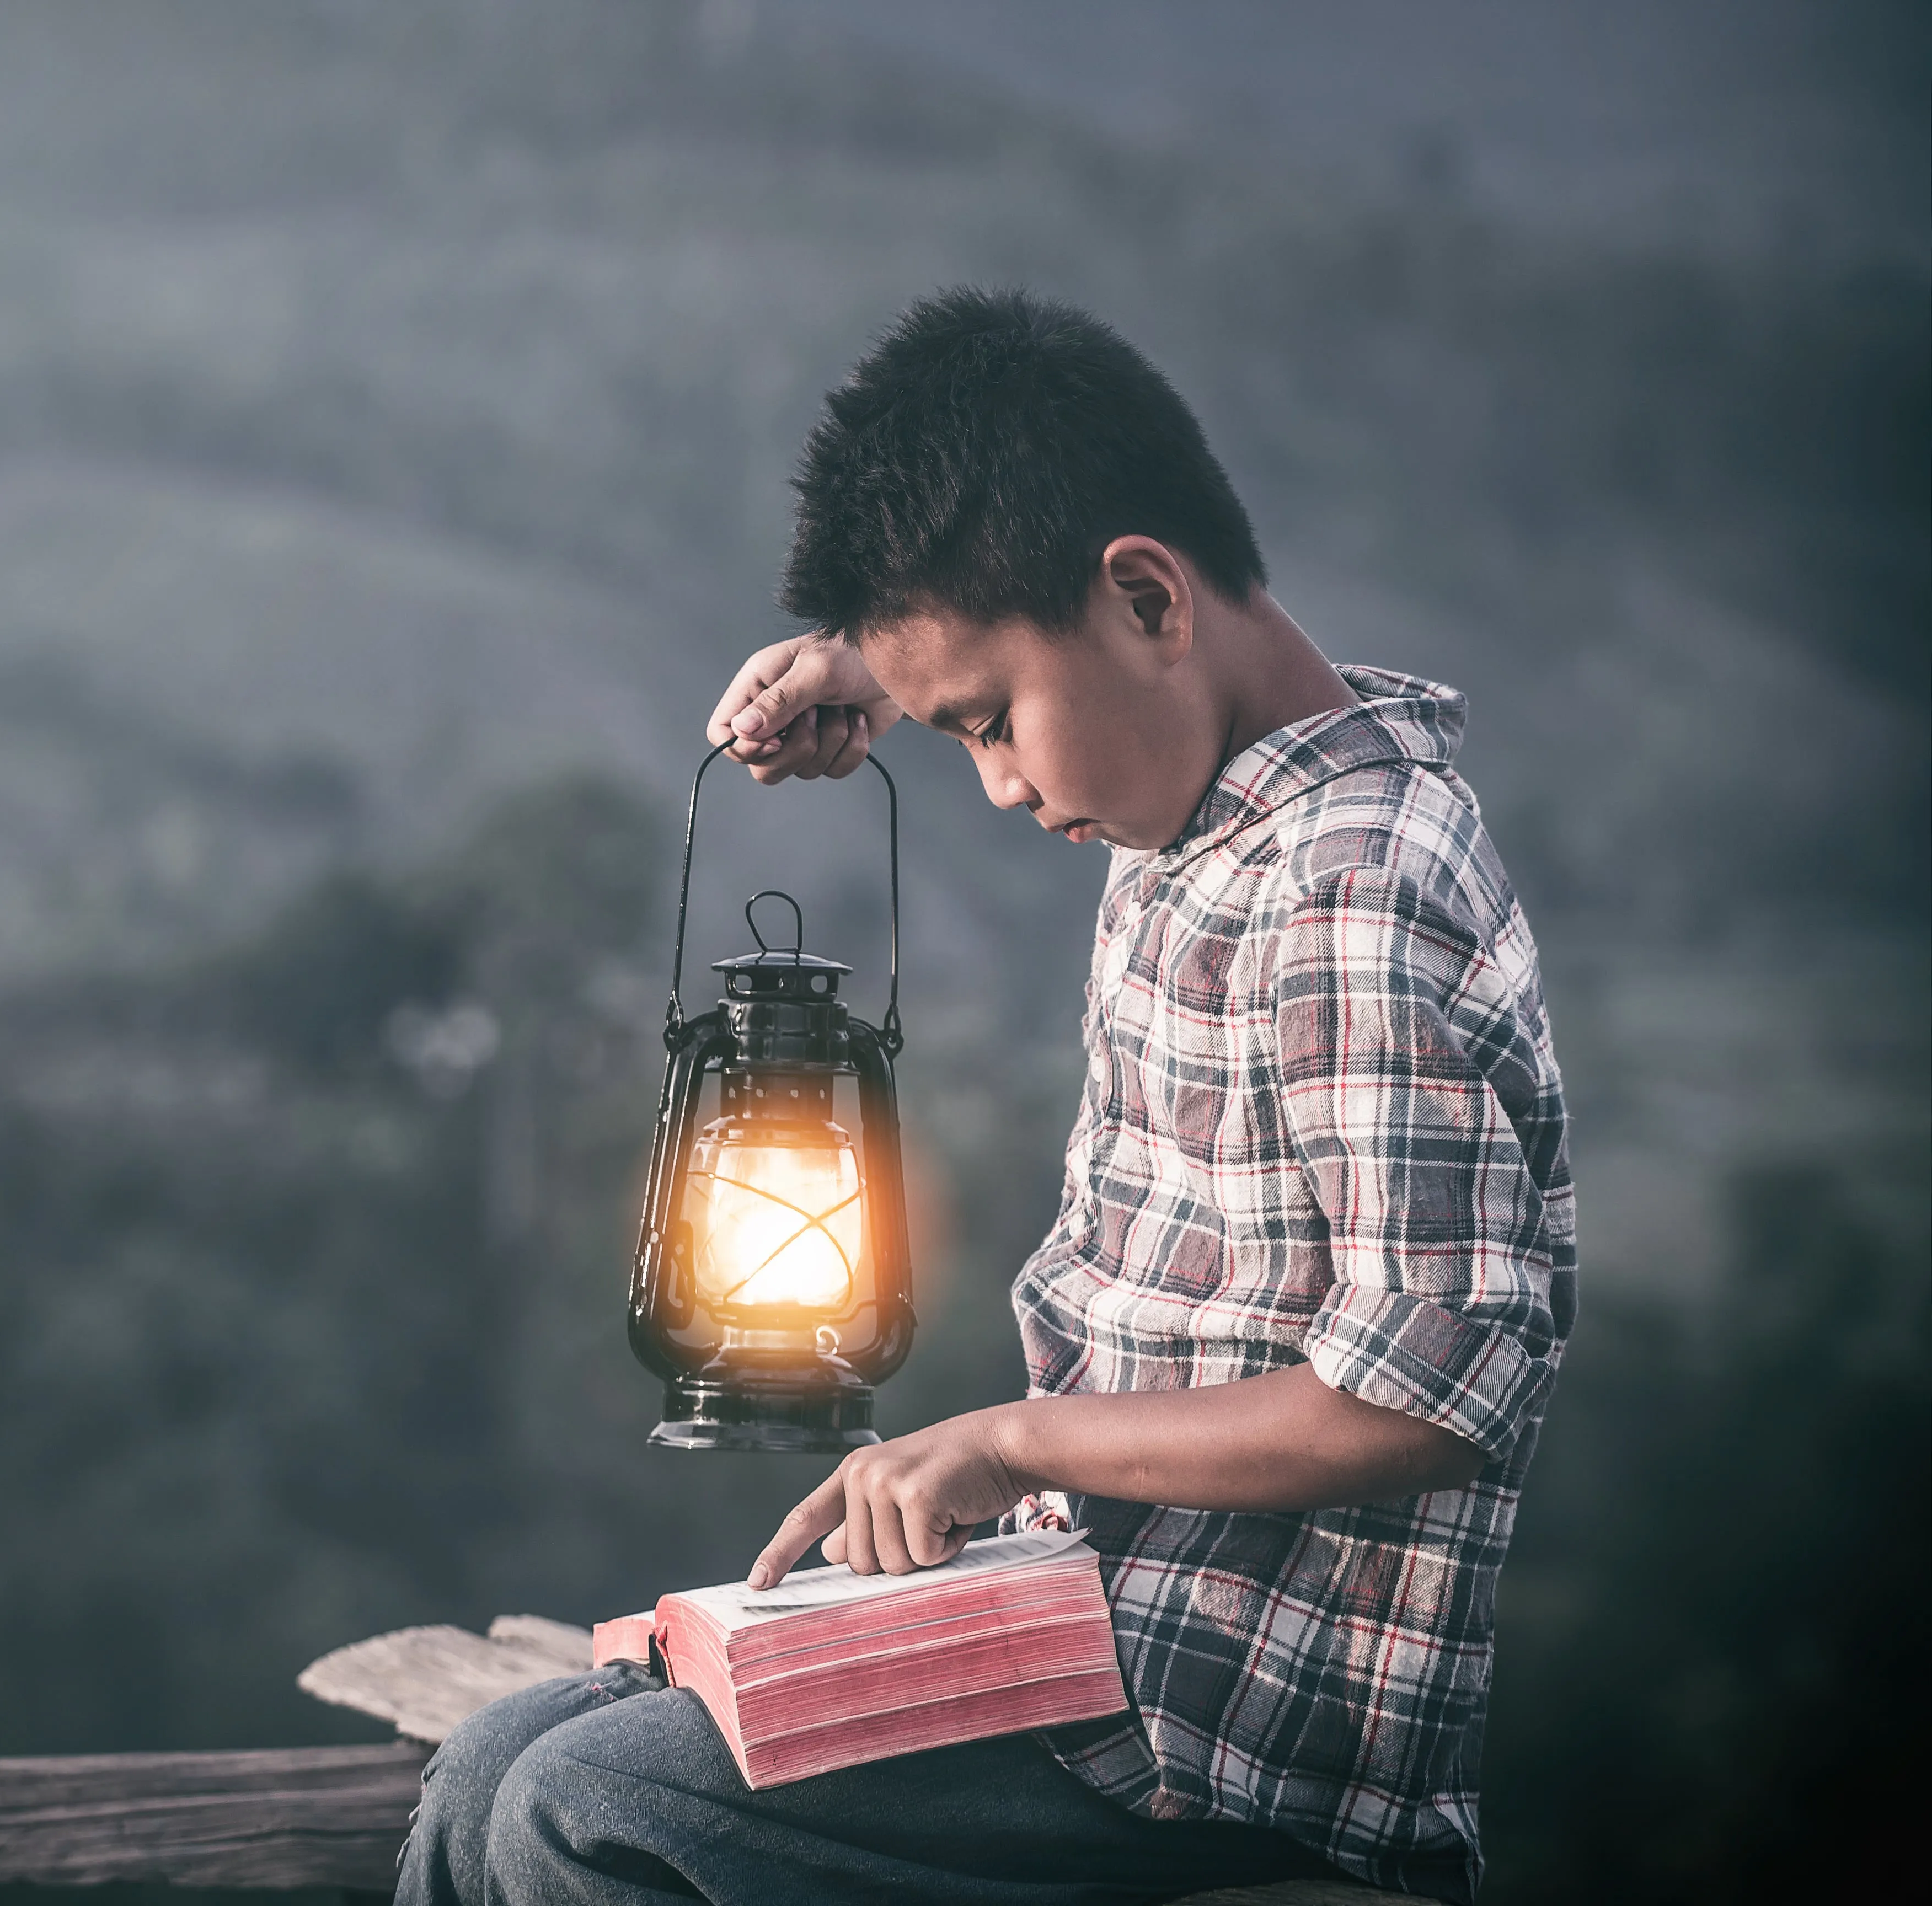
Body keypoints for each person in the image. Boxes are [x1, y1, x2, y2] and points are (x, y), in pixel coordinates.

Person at [398, 289, 1575, 1905]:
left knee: (587, 1807)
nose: (1004, 786)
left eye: (990, 725)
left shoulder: (1353, 886)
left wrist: (1013, 1437)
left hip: (1219, 1733)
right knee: (488, 1764)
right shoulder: (1206, 795)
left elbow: (1424, 1397)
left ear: (1150, 596)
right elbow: (1064, 647)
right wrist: (888, 662)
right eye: (957, 733)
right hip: (1083, 1638)